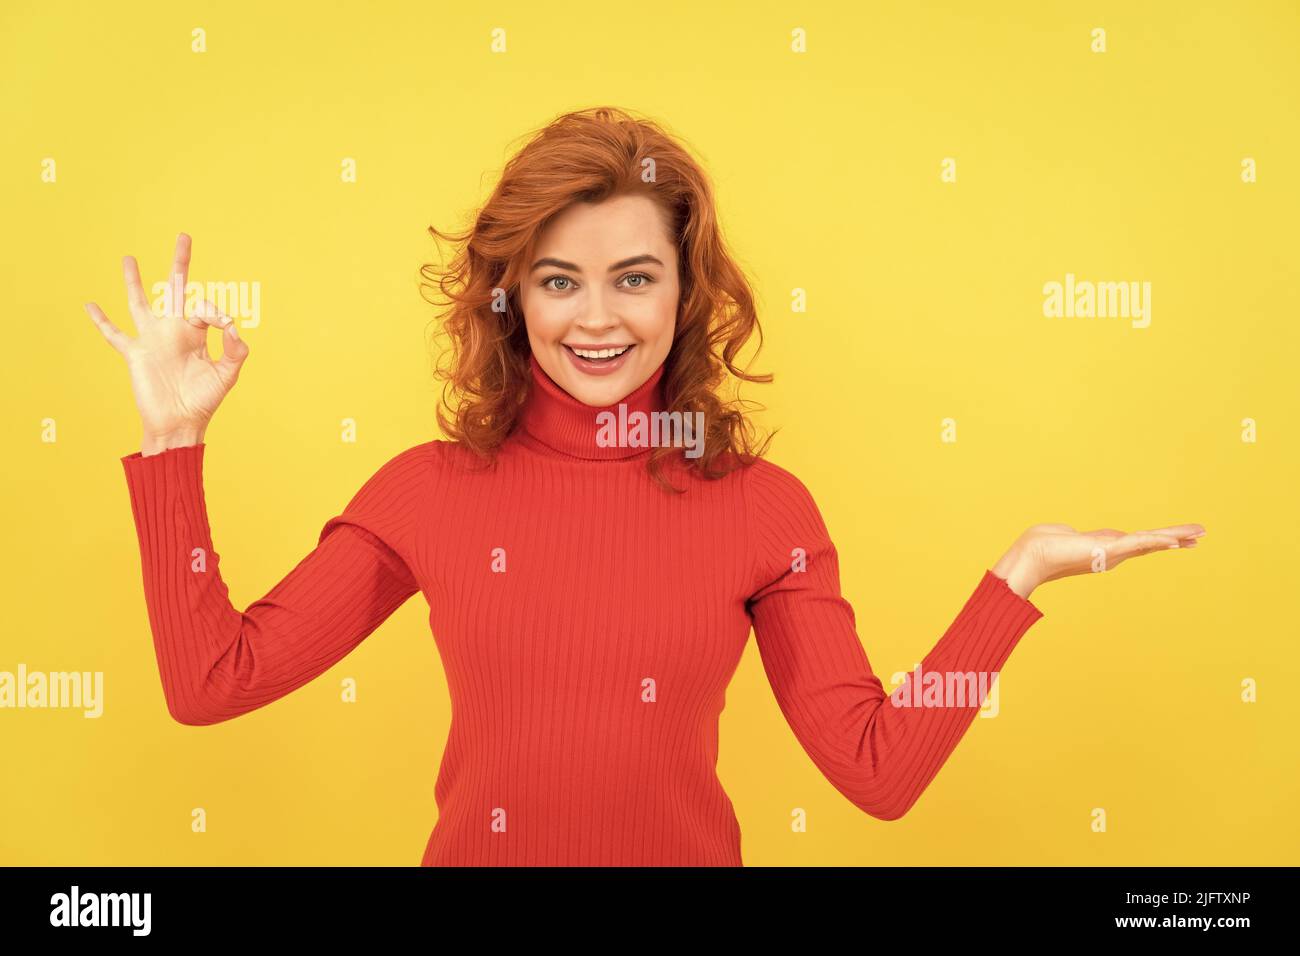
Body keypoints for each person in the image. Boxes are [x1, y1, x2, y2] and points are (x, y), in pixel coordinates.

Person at [86, 106, 1205, 866]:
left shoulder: (763, 509)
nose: (597, 317)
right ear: (510, 297)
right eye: (559, 280)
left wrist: (1016, 580)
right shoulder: (428, 493)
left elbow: (878, 769)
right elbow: (210, 680)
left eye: (634, 277)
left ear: (685, 293)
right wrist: (171, 442)